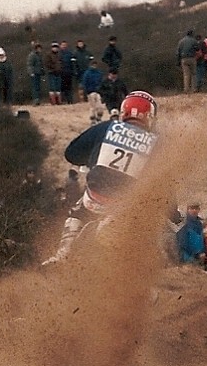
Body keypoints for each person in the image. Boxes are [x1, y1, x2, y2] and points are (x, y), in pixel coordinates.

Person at [42, 91, 159, 265]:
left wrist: (91, 159)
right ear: (150, 117)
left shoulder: (107, 127)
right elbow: (161, 179)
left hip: (95, 193)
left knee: (76, 213)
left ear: (123, 111)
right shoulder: (155, 142)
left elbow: (71, 153)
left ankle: (63, 253)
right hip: (125, 203)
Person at [176, 29, 198, 94]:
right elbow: (197, 48)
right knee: (193, 74)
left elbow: (178, 52)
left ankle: (186, 89)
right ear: (192, 34)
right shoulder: (194, 40)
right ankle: (194, 89)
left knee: (186, 75)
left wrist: (178, 61)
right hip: (192, 58)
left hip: (184, 59)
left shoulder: (181, 41)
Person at [59, 40, 77, 104]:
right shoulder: (58, 54)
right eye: (63, 45)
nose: (64, 46)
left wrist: (74, 71)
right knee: (62, 88)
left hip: (69, 72)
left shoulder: (70, 53)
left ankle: (70, 100)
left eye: (65, 45)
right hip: (61, 73)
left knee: (69, 87)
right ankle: (63, 100)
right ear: (60, 46)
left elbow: (73, 63)